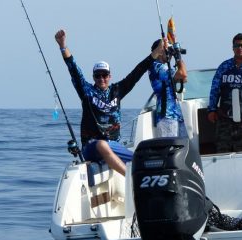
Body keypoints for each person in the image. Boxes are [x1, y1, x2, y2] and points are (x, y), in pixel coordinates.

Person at [54, 29, 164, 176]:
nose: (101, 79)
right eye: (98, 76)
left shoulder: (117, 90)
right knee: (102, 145)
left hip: (114, 146)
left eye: (104, 75)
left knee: (143, 159)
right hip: (92, 147)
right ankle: (131, 179)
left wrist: (155, 53)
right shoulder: (86, 92)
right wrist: (63, 46)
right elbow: (73, 68)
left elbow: (138, 72)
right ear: (93, 77)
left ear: (109, 76)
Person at [207, 33, 242, 153]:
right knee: (222, 152)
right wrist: (211, 109)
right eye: (236, 45)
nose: (239, 48)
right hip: (225, 118)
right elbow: (215, 89)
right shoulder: (224, 66)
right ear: (232, 48)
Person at [148, 38, 188, 137]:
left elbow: (184, 79)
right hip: (166, 115)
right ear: (160, 51)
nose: (170, 54)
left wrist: (178, 57)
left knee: (182, 146)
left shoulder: (165, 68)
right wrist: (178, 56)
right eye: (168, 51)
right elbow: (182, 74)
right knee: (170, 148)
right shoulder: (156, 67)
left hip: (174, 113)